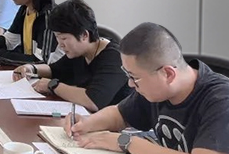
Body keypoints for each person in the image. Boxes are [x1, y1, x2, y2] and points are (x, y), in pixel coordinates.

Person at [64, 22, 229, 153]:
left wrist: (127, 142)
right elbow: (119, 114)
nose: (130, 84)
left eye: (134, 77)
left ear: (168, 74)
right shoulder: (158, 90)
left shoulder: (221, 100)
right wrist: (87, 123)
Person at [13, 0, 131, 112]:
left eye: (64, 38)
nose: (60, 44)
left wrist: (53, 86)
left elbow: (93, 101)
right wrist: (31, 68)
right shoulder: (80, 52)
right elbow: (55, 70)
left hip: (116, 123)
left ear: (84, 35)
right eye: (57, 38)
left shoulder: (115, 58)